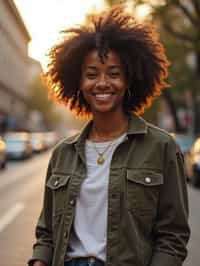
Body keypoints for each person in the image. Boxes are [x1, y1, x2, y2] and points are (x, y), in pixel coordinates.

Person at [28, 6, 190, 266]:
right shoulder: (62, 153)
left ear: (129, 80)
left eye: (114, 74)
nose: (102, 83)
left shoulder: (161, 147)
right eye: (91, 75)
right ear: (78, 83)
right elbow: (46, 233)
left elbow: (173, 236)